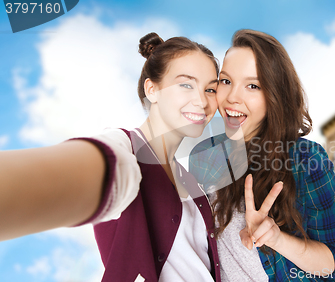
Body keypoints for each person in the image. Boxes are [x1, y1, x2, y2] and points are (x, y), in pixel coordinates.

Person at [0, 33, 222, 282]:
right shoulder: (124, 149)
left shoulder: (194, 184)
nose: (202, 100)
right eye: (186, 84)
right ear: (152, 89)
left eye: (210, 89)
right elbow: (95, 171)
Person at [190, 29, 335, 281]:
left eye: (253, 86)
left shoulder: (305, 159)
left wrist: (277, 239)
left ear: (274, 96)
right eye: (226, 81)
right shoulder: (205, 156)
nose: (233, 97)